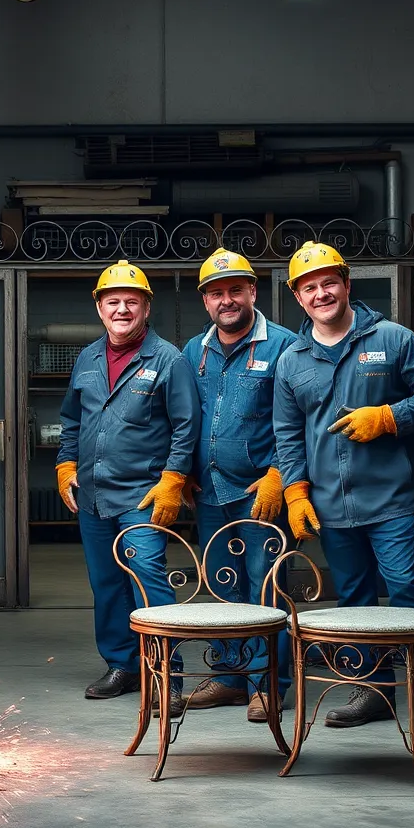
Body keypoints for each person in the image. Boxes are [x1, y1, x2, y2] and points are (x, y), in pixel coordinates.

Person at [272, 240, 414, 740]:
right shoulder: (292, 361)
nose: (321, 292)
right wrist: (296, 493)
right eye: (309, 287)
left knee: (409, 601)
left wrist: (391, 416)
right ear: (298, 296)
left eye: (329, 281)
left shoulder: (392, 339)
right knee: (353, 603)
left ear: (347, 284)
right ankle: (371, 693)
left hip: (391, 499)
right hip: (331, 505)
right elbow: (288, 436)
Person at [56, 260, 199, 713]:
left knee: (148, 581)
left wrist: (174, 478)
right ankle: (123, 664)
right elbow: (71, 420)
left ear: (145, 307)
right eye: (112, 301)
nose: (122, 309)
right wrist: (65, 464)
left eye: (130, 302)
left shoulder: (168, 360)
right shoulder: (88, 358)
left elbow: (186, 426)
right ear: (100, 307)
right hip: (94, 496)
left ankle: (167, 675)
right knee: (106, 584)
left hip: (142, 495)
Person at [181, 248, 297, 722]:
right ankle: (229, 676)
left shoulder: (286, 346)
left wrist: (279, 474)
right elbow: (186, 416)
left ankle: (268, 683)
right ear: (205, 301)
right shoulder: (195, 350)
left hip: (260, 491)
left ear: (253, 291)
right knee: (222, 586)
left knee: (266, 587)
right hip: (209, 491)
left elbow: (300, 419)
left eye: (235, 290)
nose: (226, 300)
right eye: (216, 293)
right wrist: (182, 470)